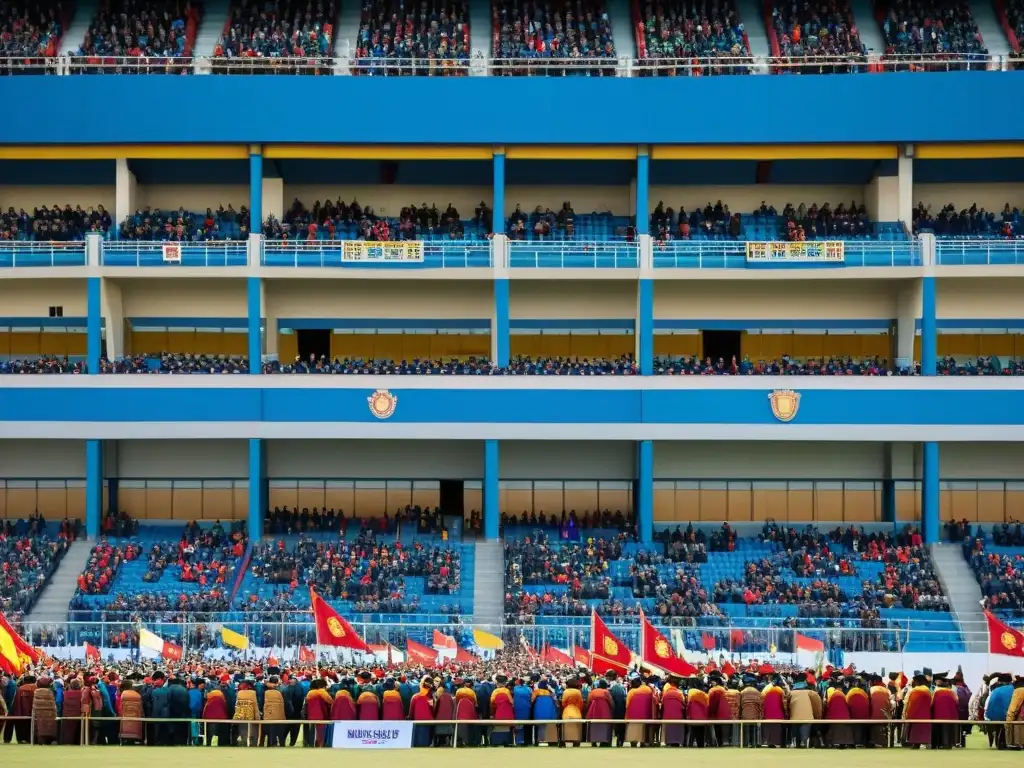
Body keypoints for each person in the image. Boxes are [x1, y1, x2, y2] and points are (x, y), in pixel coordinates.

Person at [789, 675, 821, 747]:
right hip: (807, 717)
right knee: (805, 735)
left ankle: (797, 745)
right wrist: (818, 716)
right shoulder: (811, 693)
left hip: (794, 717)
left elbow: (785, 704)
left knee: (796, 734)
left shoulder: (791, 693)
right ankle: (805, 744)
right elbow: (818, 705)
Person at [903, 673, 933, 748]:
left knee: (914, 730)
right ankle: (927, 743)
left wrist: (904, 713)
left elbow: (906, 702)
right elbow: (931, 702)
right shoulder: (928, 691)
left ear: (917, 681)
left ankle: (915, 744)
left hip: (913, 715)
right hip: (925, 715)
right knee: (924, 729)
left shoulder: (913, 691)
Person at [931, 673, 960, 749]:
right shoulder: (952, 693)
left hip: (938, 716)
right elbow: (957, 703)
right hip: (951, 716)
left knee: (939, 730)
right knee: (949, 730)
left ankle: (939, 744)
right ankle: (949, 744)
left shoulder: (936, 693)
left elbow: (932, 703)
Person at [625, 674, 654, 746]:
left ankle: (633, 742)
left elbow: (627, 705)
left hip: (633, 716)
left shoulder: (631, 692)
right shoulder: (648, 690)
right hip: (646, 715)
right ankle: (644, 742)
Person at [302, 678, 333, 747]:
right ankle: (319, 746)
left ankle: (311, 744)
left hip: (310, 715)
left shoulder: (310, 692)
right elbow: (330, 701)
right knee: (320, 733)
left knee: (312, 732)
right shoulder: (321, 691)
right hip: (320, 715)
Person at [824, 675, 853, 748]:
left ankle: (831, 743)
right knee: (844, 731)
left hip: (833, 717)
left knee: (833, 730)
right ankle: (843, 743)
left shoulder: (833, 694)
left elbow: (829, 706)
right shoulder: (842, 694)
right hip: (845, 717)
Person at [586, 677, 613, 746]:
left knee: (594, 725)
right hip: (605, 711)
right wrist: (612, 709)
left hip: (594, 710)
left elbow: (588, 702)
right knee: (604, 726)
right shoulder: (606, 691)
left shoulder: (593, 691)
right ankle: (603, 741)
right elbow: (611, 702)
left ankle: (593, 741)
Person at [762, 675, 788, 747]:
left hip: (767, 713)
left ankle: (770, 742)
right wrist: (785, 713)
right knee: (778, 728)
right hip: (778, 714)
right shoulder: (780, 690)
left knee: (769, 729)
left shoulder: (766, 689)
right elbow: (783, 703)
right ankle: (781, 743)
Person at [31, 676, 59, 744]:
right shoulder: (51, 692)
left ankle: (39, 739)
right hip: (50, 713)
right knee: (49, 727)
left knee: (39, 726)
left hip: (38, 713)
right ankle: (49, 740)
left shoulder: (36, 692)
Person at [660, 674, 685, 747]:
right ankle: (676, 742)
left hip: (667, 716)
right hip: (678, 716)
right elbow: (683, 704)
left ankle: (668, 741)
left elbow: (663, 703)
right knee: (677, 729)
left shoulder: (666, 693)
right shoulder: (679, 693)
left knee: (669, 729)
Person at [868, 674, 893, 748]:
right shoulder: (887, 690)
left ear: (874, 681)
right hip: (885, 717)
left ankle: (873, 742)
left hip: (873, 717)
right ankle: (883, 743)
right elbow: (891, 704)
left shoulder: (871, 689)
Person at [409, 676, 435, 748]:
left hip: (418, 722)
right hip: (429, 722)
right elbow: (433, 710)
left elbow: (411, 711)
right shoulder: (431, 698)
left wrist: (410, 718)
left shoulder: (415, 697)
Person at [531, 679, 558, 746]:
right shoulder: (550, 692)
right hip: (550, 711)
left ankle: (538, 741)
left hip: (539, 710)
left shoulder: (536, 692)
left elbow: (531, 700)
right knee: (550, 725)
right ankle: (551, 741)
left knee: (539, 725)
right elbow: (555, 701)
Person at [489, 676, 515, 747]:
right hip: (508, 714)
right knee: (507, 728)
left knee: (498, 728)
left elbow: (492, 703)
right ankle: (507, 741)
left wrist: (491, 714)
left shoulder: (495, 691)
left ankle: (496, 741)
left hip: (498, 713)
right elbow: (511, 702)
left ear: (497, 682)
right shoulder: (507, 691)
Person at [740, 674, 762, 747]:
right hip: (755, 715)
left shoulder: (742, 692)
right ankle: (754, 744)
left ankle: (745, 744)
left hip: (745, 716)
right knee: (754, 730)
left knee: (745, 731)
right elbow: (760, 705)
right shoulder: (758, 692)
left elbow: (739, 705)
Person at [561, 677, 585, 746]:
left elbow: (563, 703)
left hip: (567, 712)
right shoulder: (578, 692)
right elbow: (581, 703)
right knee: (577, 730)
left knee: (566, 729)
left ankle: (564, 742)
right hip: (577, 712)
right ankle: (576, 742)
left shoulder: (565, 691)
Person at [1007, 676, 1024, 749]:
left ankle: (1016, 743)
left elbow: (1012, 709)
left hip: (1021, 718)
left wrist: (1008, 723)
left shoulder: (1018, 691)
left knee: (1016, 722)